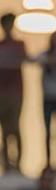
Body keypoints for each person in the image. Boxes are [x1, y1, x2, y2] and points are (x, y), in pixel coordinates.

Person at [0, 12, 28, 171]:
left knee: (15, 126)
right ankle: (5, 165)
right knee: (3, 128)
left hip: (15, 90)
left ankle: (18, 164)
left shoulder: (19, 44)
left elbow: (24, 58)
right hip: (1, 90)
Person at [36, 33, 56, 167]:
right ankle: (48, 161)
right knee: (47, 131)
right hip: (48, 98)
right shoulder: (45, 55)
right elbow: (35, 59)